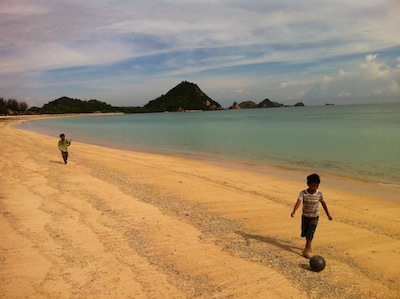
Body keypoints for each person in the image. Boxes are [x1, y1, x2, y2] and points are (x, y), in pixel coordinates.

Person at [291, 173, 332, 259]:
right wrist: (294, 211)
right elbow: (298, 202)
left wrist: (328, 214)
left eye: (317, 186)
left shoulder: (319, 194)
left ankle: (307, 248)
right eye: (313, 186)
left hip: (315, 216)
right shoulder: (303, 193)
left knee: (311, 231)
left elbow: (323, 203)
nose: (315, 188)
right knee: (305, 233)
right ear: (308, 185)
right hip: (305, 216)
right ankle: (308, 243)